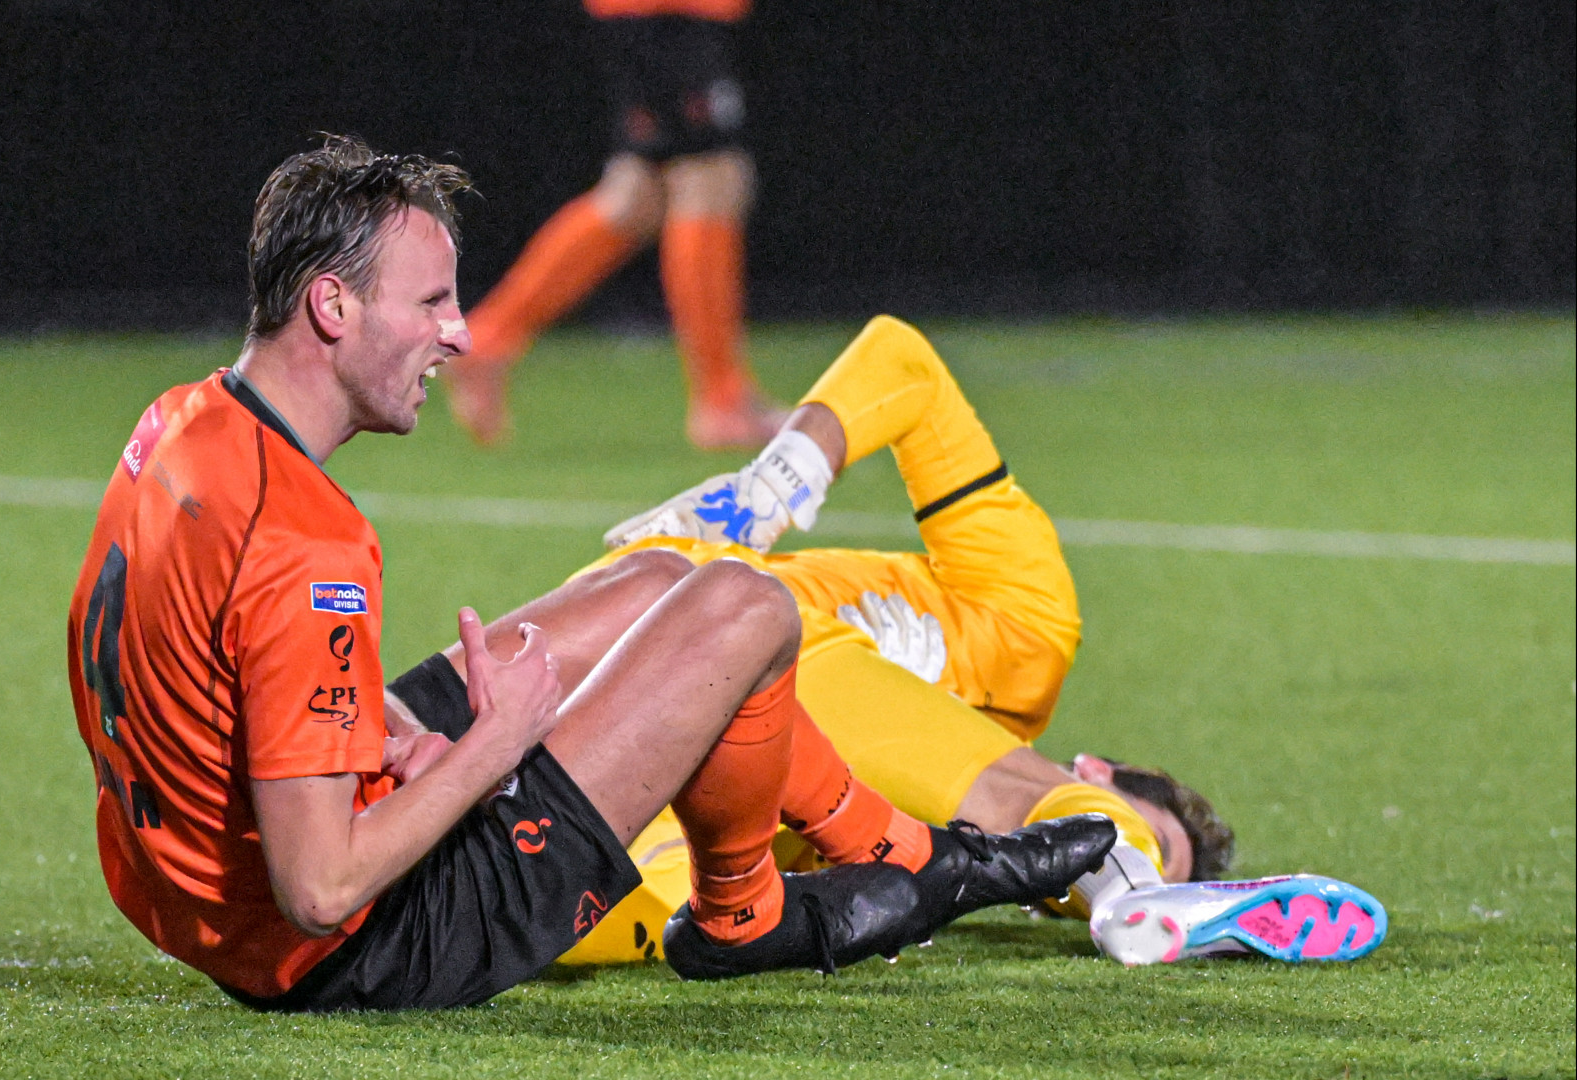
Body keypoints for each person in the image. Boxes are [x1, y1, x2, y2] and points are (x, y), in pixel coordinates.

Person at [66, 138, 1117, 1012]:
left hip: (203, 891)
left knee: (659, 578)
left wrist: (390, 732)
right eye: (430, 303)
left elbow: (213, 668)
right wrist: (493, 745)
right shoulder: (308, 544)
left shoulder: (181, 423)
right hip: (356, 950)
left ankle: (878, 852)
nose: (460, 334)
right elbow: (320, 886)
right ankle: (750, 911)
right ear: (333, 308)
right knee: (745, 606)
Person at [433, 314, 1372, 966]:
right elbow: (904, 362)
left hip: (638, 697)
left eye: (1151, 860)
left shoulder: (874, 841)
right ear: (1101, 765)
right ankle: (1136, 902)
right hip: (725, 614)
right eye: (1154, 837)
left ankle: (378, 893)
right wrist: (772, 489)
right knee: (1028, 803)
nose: (1051, 901)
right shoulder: (1029, 626)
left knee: (587, 902)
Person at [444, 0, 782, 449]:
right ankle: (723, 401)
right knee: (709, 175)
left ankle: (486, 341)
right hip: (673, 14)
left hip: (650, 16)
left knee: (636, 196)